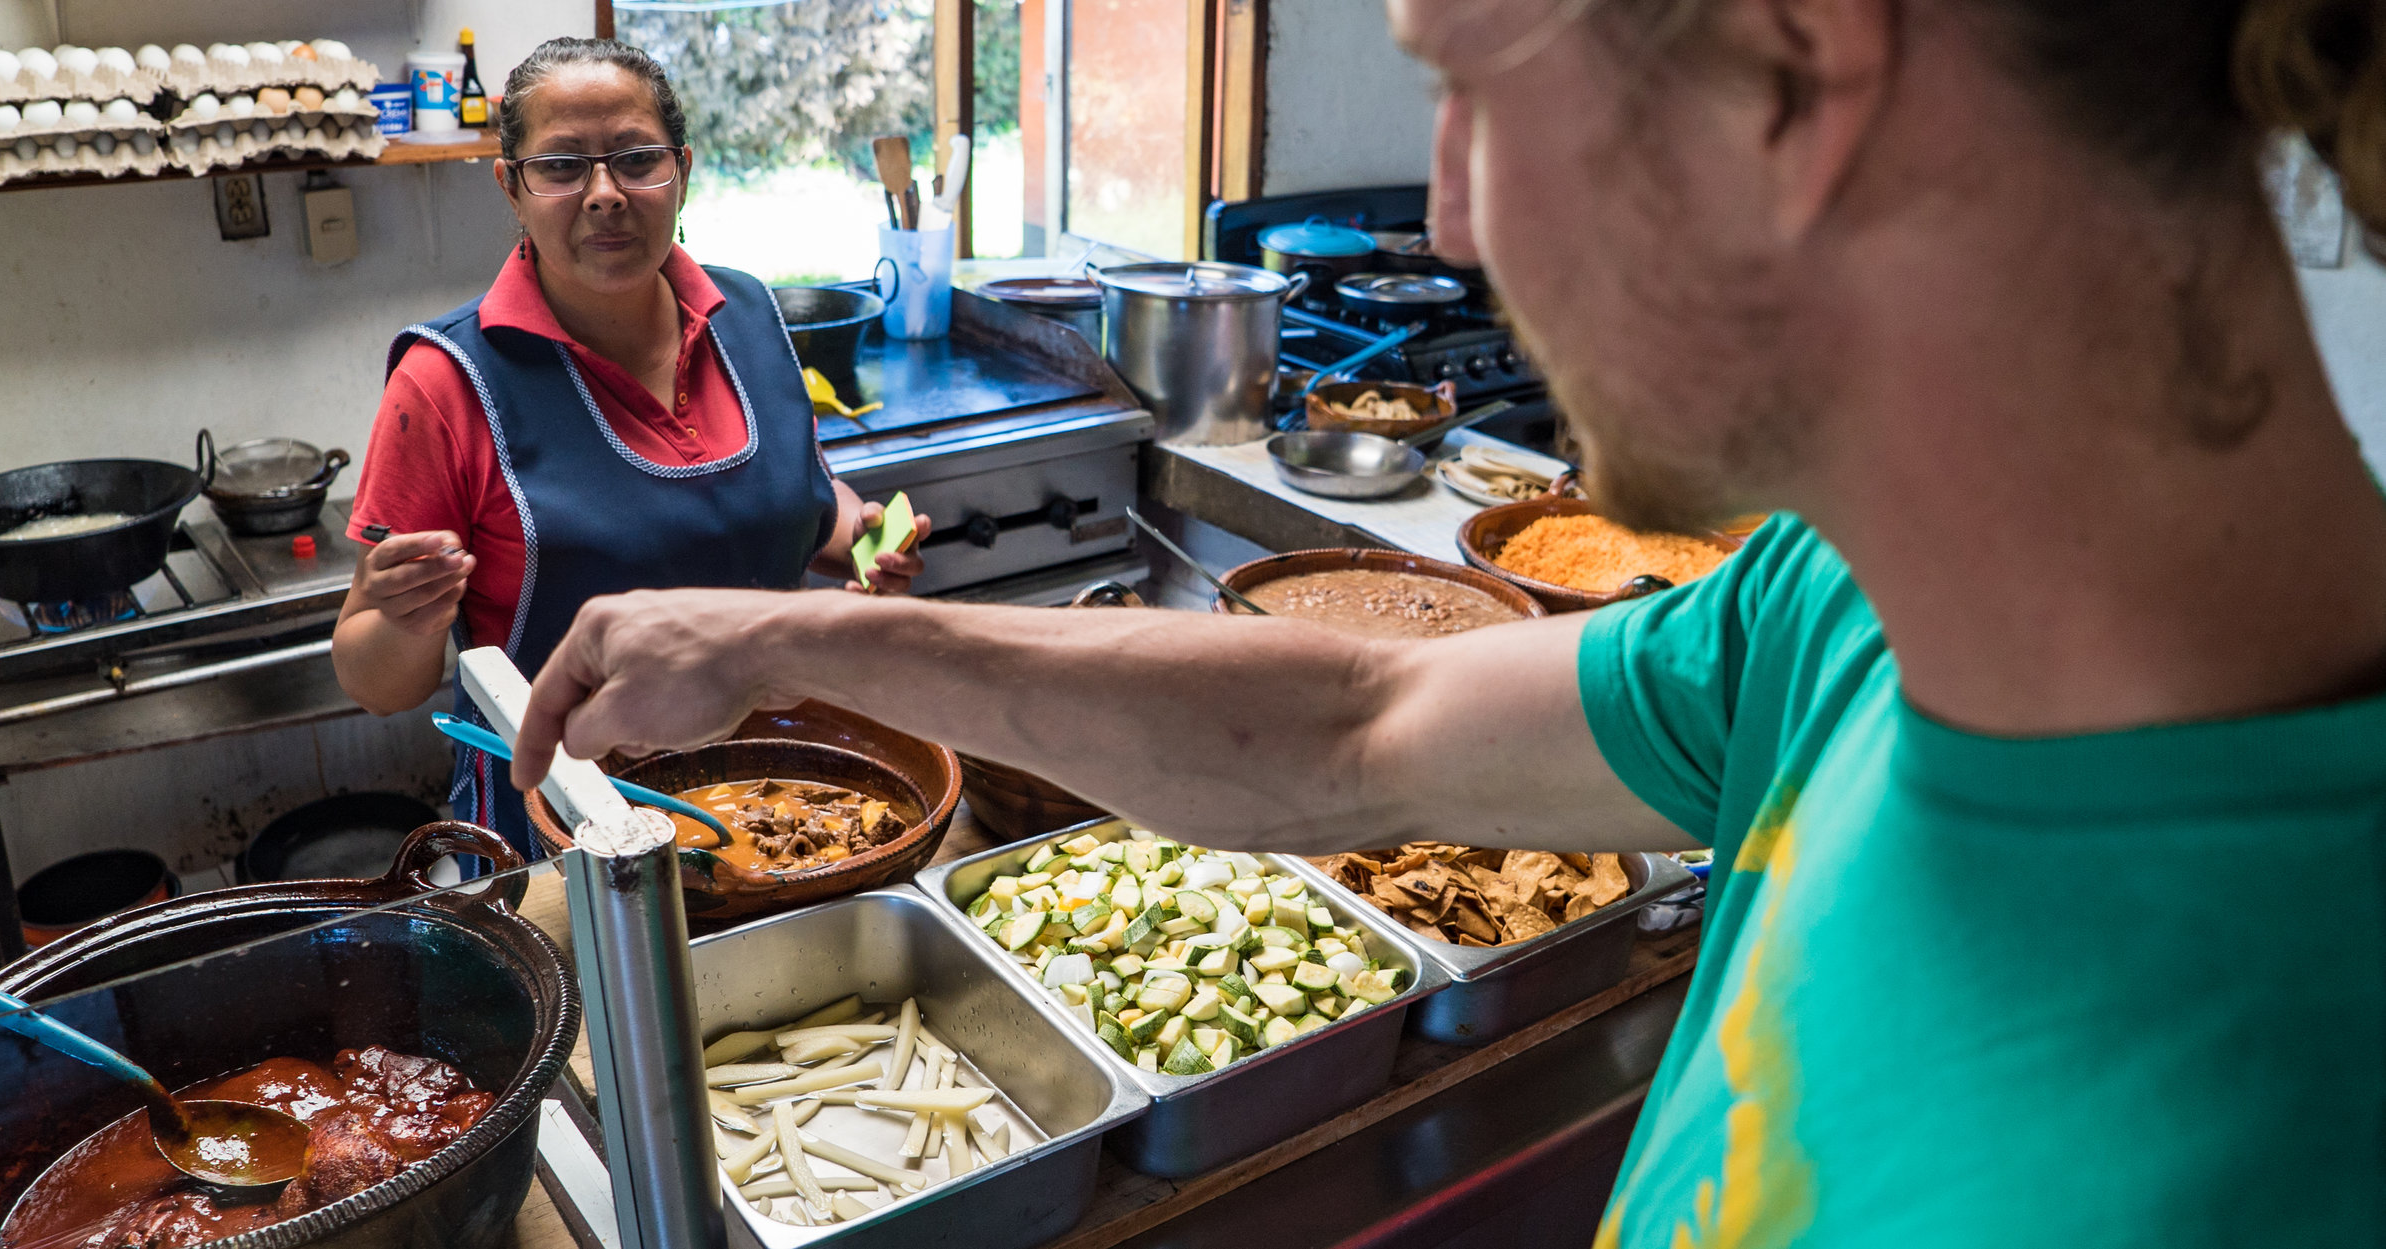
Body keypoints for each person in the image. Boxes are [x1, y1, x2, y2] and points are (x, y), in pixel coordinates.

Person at [512, 0, 2386, 1243]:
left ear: (1789, 74)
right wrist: (791, 641)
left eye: (1472, 86)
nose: (1456, 221)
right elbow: (1346, 730)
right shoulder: (1846, 615)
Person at [332, 38, 928, 857]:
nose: (605, 194)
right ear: (513, 188)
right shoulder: (448, 381)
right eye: (563, 166)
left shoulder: (746, 315)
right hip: (566, 834)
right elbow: (375, 681)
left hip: (776, 799)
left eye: (636, 159)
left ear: (682, 170)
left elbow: (807, 503)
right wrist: (400, 613)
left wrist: (864, 540)